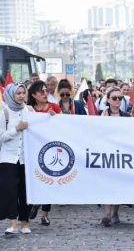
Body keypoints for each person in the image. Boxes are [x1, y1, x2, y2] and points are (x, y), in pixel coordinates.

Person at [27, 81, 61, 226]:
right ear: (34, 95)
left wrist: (56, 118)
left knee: (49, 180)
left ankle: (45, 215)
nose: (45, 94)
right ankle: (35, 203)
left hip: (52, 149)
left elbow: (66, 125)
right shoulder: (30, 110)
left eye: (47, 91)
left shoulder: (54, 107)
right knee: (36, 179)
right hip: (34, 149)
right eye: (42, 92)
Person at [0, 83, 32, 234]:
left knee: (25, 191)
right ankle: (12, 224)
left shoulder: (29, 110)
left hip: (26, 158)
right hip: (8, 158)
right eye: (17, 93)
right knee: (10, 190)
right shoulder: (4, 112)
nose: (20, 96)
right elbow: (1, 137)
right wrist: (16, 129)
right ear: (11, 94)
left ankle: (24, 224)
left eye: (23, 92)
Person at [98, 87, 130, 226]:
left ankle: (115, 212)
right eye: (114, 98)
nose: (117, 100)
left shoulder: (127, 116)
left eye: (120, 98)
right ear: (108, 100)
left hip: (122, 154)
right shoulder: (101, 115)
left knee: (119, 184)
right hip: (106, 153)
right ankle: (107, 214)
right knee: (106, 183)